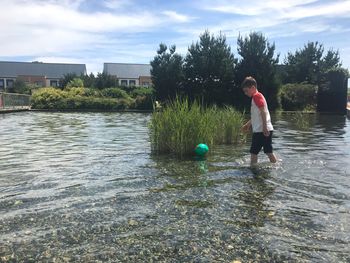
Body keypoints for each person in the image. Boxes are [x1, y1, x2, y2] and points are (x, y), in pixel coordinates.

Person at [241, 76, 277, 165]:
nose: (245, 93)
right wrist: (248, 124)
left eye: (246, 90)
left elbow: (263, 112)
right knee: (268, 151)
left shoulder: (256, 96)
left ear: (253, 88)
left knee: (254, 152)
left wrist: (264, 127)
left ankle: (253, 170)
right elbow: (256, 116)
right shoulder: (257, 97)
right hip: (265, 129)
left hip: (261, 130)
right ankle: (275, 164)